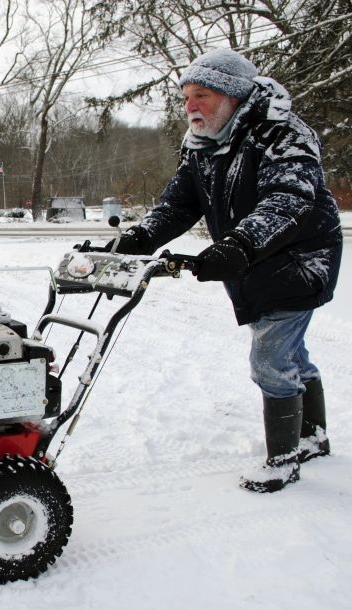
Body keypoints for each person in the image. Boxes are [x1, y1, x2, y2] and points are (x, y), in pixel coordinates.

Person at [104, 49, 343, 493]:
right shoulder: (201, 144)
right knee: (289, 351)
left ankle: (283, 461)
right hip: (253, 260)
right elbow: (178, 206)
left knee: (270, 358)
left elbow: (288, 198)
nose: (191, 106)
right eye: (186, 97)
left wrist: (238, 244)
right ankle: (312, 434)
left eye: (203, 95)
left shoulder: (282, 134)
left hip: (300, 258)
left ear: (234, 97)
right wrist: (137, 239)